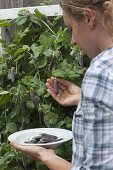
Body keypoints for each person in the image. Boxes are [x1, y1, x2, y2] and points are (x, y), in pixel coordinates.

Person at [10, 0, 113, 169]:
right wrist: (84, 99)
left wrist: (45, 155)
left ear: (89, 17)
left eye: (71, 28)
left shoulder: (99, 72)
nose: (72, 41)